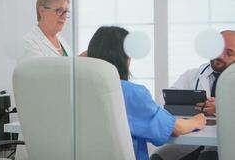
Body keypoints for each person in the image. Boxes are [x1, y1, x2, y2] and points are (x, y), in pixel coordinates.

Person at [87, 26, 206, 160]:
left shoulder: (79, 91)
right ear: (125, 57)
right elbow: (176, 128)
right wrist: (197, 121)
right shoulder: (131, 93)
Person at [153, 30, 235, 160]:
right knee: (158, 157)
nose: (220, 55)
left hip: (227, 142)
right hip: (193, 138)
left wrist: (223, 108)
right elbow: (162, 103)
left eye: (229, 53)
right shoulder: (191, 76)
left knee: (208, 157)